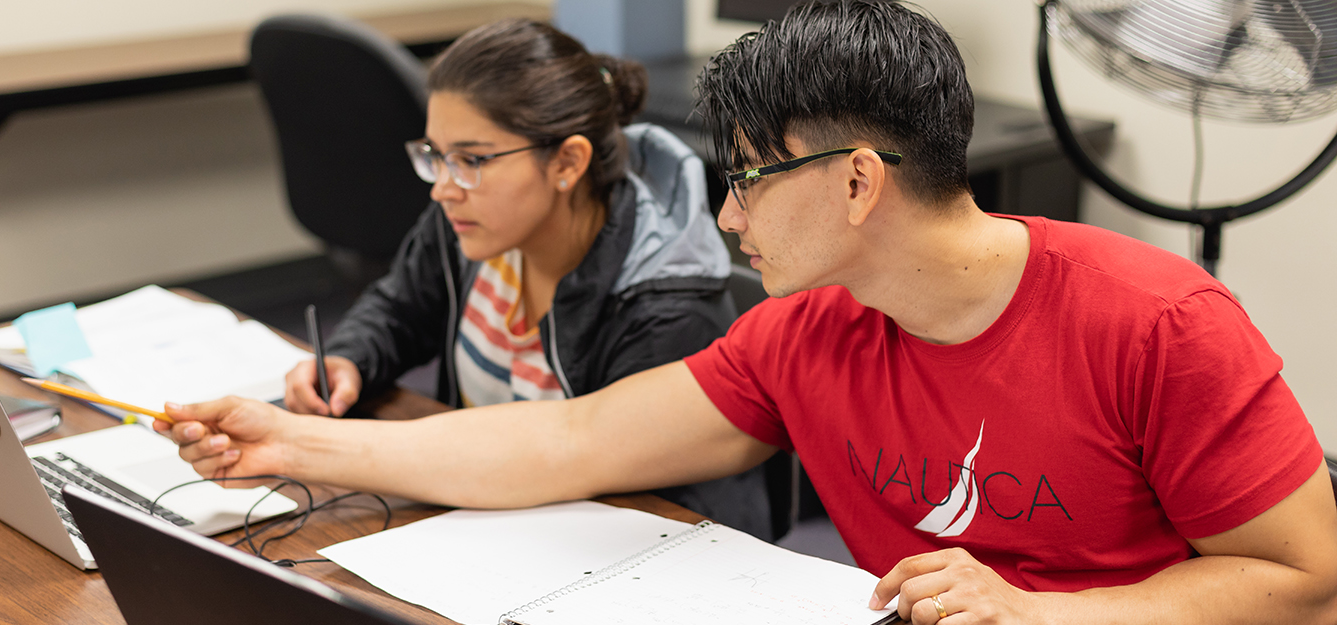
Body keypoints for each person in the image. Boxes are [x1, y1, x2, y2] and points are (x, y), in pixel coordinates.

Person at [159, 2, 1337, 623]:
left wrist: (1039, 613)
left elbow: (1302, 581)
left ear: (859, 181)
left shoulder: (1160, 320)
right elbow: (567, 440)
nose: (726, 219)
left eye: (749, 181)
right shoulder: (804, 333)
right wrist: (296, 442)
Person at [277, 18, 771, 539]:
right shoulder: (476, 222)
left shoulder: (664, 307)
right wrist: (350, 356)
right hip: (486, 512)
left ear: (567, 162)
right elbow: (401, 308)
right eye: (436, 157)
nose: (443, 187)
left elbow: (645, 508)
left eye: (470, 159)